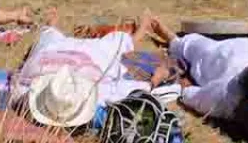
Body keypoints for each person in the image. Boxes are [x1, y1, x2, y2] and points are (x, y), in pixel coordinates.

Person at [150, 10, 248, 119]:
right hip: (239, 50)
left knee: (196, 46)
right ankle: (173, 40)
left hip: (221, 54)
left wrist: (186, 89)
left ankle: (173, 39)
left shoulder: (232, 93)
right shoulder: (232, 91)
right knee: (196, 46)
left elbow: (197, 97)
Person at [12, 9, 156, 112]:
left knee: (118, 44)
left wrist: (154, 81)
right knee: (119, 43)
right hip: (52, 55)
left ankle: (52, 24)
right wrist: (155, 80)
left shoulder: (95, 95)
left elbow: (138, 88)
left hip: (65, 55)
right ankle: (143, 26)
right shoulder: (26, 88)